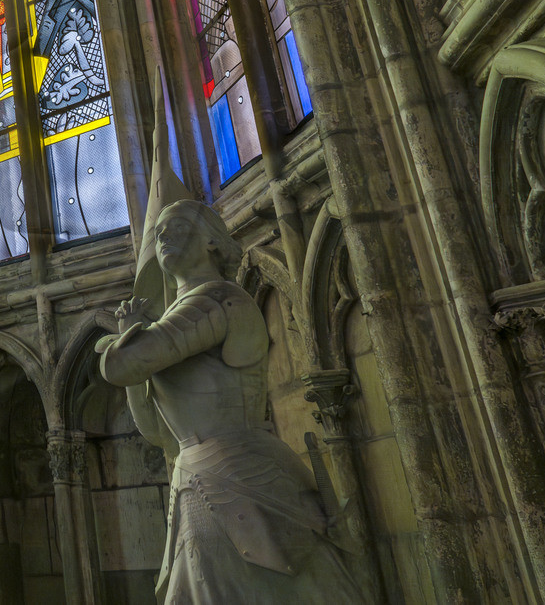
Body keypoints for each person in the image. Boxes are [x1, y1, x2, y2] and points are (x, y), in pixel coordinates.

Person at [99, 196, 370, 604]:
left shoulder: (217, 300)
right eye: (157, 233)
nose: (163, 236)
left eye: (176, 225)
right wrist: (132, 341)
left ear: (211, 242)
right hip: (198, 480)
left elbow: (121, 365)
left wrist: (125, 339)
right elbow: (156, 430)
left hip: (242, 479)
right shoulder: (189, 310)